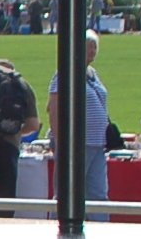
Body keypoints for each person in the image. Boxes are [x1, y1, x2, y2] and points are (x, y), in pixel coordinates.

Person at [47, 30, 112, 204]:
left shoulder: (92, 74)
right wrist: (61, 142)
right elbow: (54, 108)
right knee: (67, 192)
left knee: (98, 193)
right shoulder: (65, 72)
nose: (92, 51)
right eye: (88, 47)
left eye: (94, 47)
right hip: (74, 143)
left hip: (97, 143)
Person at [0, 58, 39, 200]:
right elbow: (33, 124)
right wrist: (13, 130)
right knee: (6, 192)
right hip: (10, 144)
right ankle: (5, 219)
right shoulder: (22, 84)